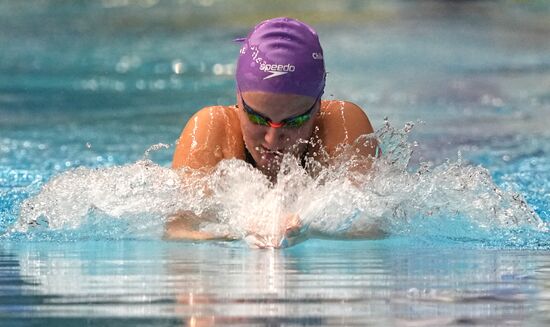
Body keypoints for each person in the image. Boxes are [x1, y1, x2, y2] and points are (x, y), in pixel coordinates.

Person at [165, 17, 379, 247]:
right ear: (238, 97)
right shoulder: (212, 130)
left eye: (294, 121)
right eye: (257, 118)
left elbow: (373, 228)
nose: (272, 138)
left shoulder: (343, 125)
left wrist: (312, 229)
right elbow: (179, 232)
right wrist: (238, 232)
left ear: (317, 105)